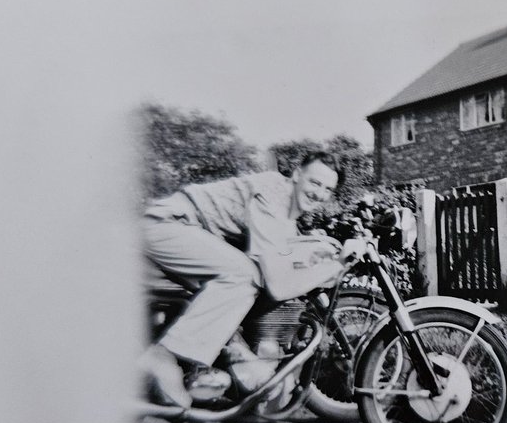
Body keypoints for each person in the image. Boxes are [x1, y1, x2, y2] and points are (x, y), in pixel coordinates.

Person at [139, 151, 352, 408]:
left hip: (183, 229)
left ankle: (211, 370)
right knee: (244, 274)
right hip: (168, 224)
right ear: (296, 175)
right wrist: (335, 266)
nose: (319, 193)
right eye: (314, 182)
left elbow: (283, 250)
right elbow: (278, 286)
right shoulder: (273, 197)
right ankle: (163, 357)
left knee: (244, 280)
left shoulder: (285, 208)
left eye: (327, 189)